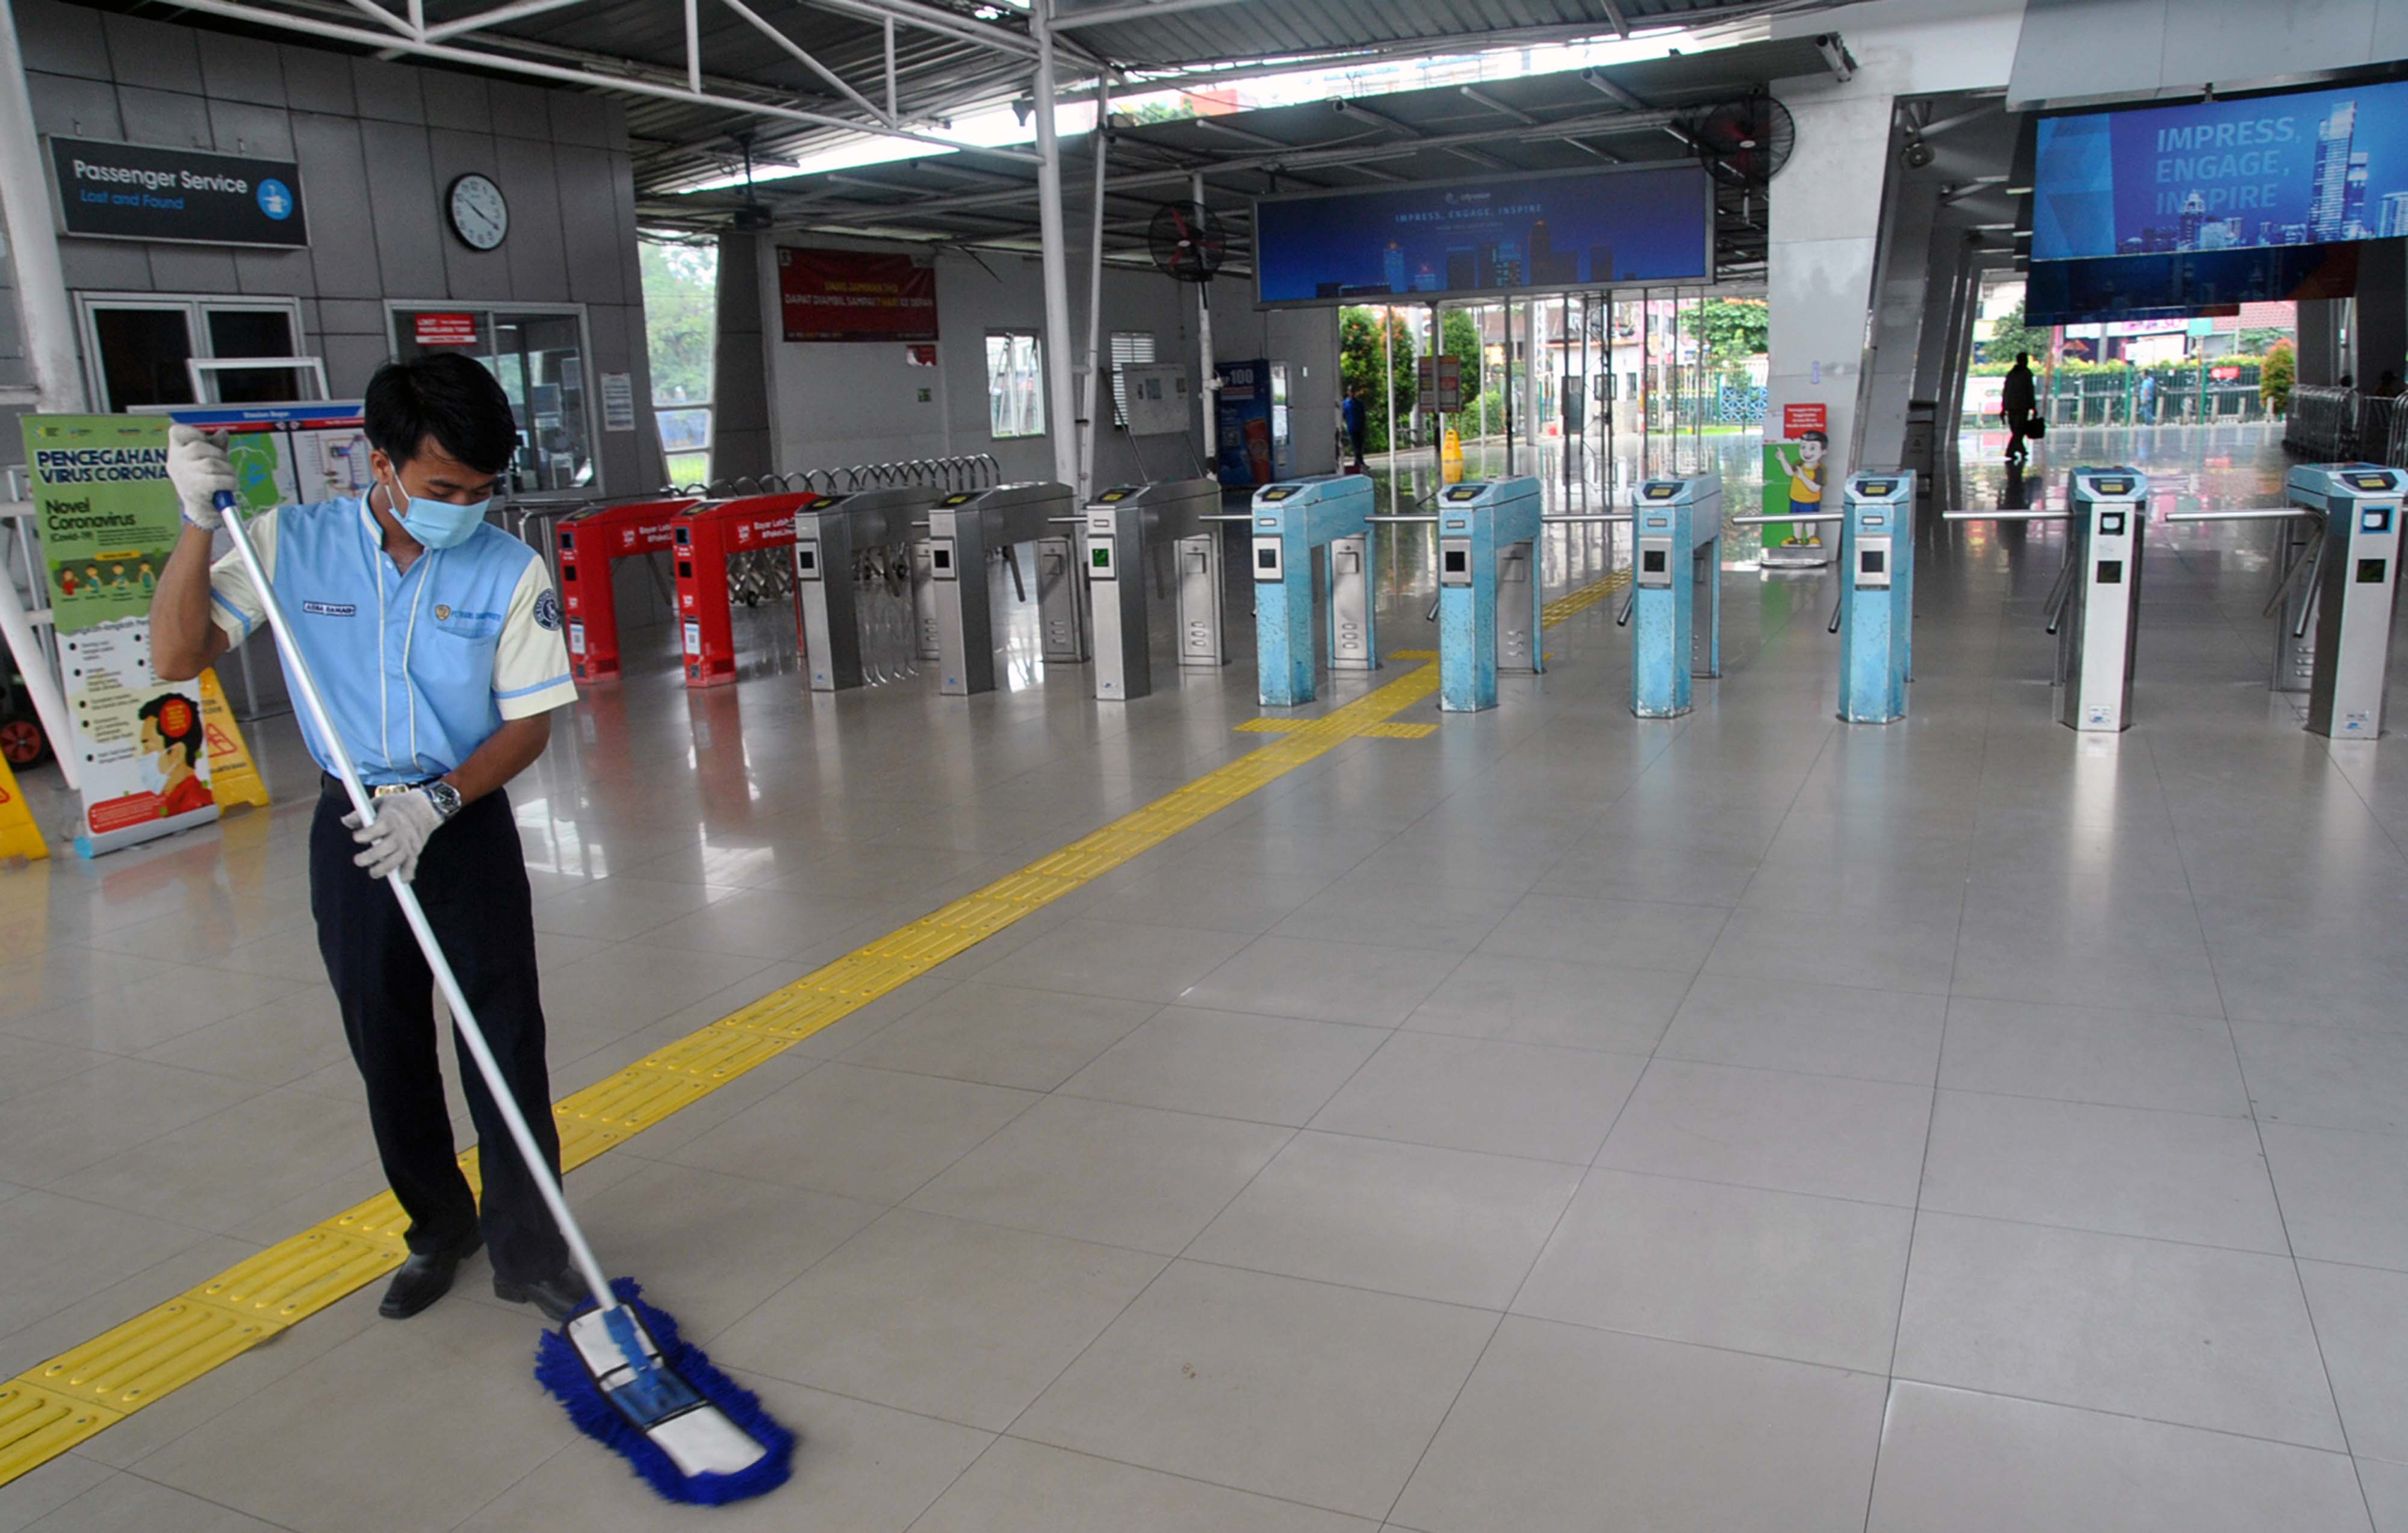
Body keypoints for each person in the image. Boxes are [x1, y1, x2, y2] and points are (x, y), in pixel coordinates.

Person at [151, 355, 588, 1324]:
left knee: (502, 1038)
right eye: (444, 488)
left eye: (482, 490)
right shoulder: (285, 543)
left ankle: (531, 1247)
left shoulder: (509, 567)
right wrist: (193, 523)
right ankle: (440, 1228)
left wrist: (435, 802)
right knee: (385, 1041)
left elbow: (528, 724)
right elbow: (177, 653)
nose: (464, 507)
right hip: (351, 825)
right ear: (379, 459)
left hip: (461, 821)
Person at [137, 692, 214, 819]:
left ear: (175, 753)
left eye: (147, 747)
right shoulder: (175, 804)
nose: (143, 756)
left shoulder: (192, 808)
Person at [1784, 430, 1828, 547]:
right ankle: (1797, 538)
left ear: (1823, 452)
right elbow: (1789, 473)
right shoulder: (1799, 463)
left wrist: (1803, 477)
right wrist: (1783, 459)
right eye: (1803, 447)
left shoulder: (1819, 470)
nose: (1806, 452)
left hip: (1810, 501)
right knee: (1796, 520)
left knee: (1810, 520)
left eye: (1812, 448)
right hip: (1795, 498)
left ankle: (1810, 537)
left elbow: (1816, 488)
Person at [2001, 352, 2038, 465]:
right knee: (2019, 430)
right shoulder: (2026, 374)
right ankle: (2011, 451)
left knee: (2016, 430)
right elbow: (2030, 391)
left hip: (2011, 406)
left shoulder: (2011, 374)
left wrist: (2004, 407)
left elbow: (2006, 392)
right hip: (2022, 406)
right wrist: (2033, 406)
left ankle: (2021, 450)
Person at [1342, 386, 1368, 471]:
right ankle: (1359, 462)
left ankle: (1359, 462)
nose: (1352, 394)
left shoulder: (1359, 404)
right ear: (1348, 392)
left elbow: (1363, 416)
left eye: (1353, 392)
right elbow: (1344, 415)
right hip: (1351, 427)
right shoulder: (1345, 404)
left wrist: (1364, 427)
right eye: (1351, 391)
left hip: (1360, 427)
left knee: (1360, 446)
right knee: (1355, 446)